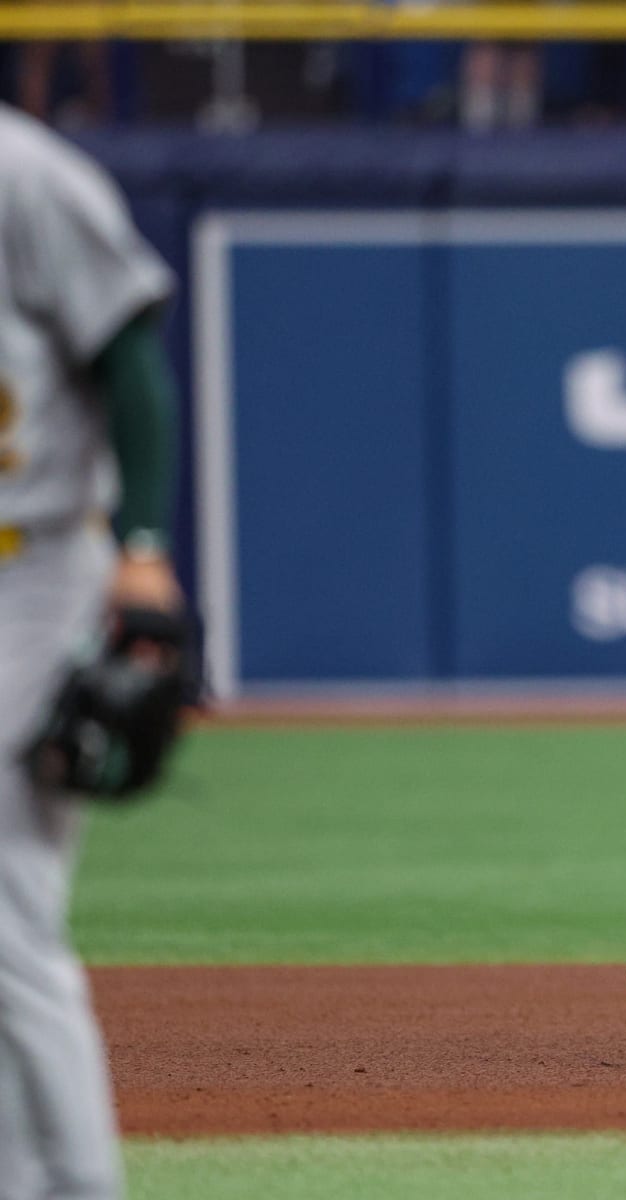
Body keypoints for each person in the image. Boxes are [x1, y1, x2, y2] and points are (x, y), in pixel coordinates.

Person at [0, 102, 183, 1197]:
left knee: (7, 905)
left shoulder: (26, 173)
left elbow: (129, 358)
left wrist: (144, 549)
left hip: (31, 569)